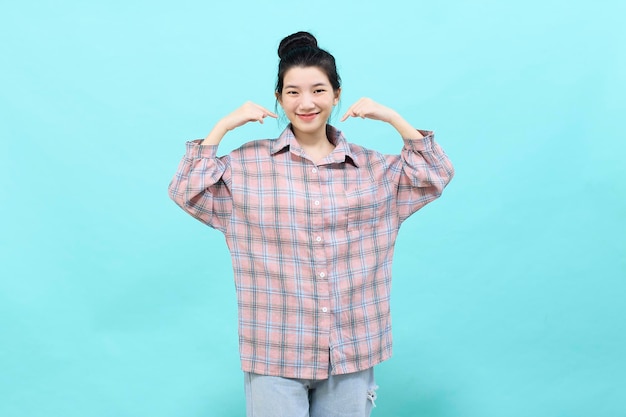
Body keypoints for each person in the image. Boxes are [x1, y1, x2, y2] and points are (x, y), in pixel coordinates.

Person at [168, 31, 454, 417]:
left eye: (318, 90)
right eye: (293, 92)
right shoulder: (246, 166)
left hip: (352, 348)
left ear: (337, 94)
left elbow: (435, 173)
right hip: (275, 349)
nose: (306, 103)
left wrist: (391, 117)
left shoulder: (374, 169)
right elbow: (185, 190)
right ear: (279, 98)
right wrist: (222, 127)